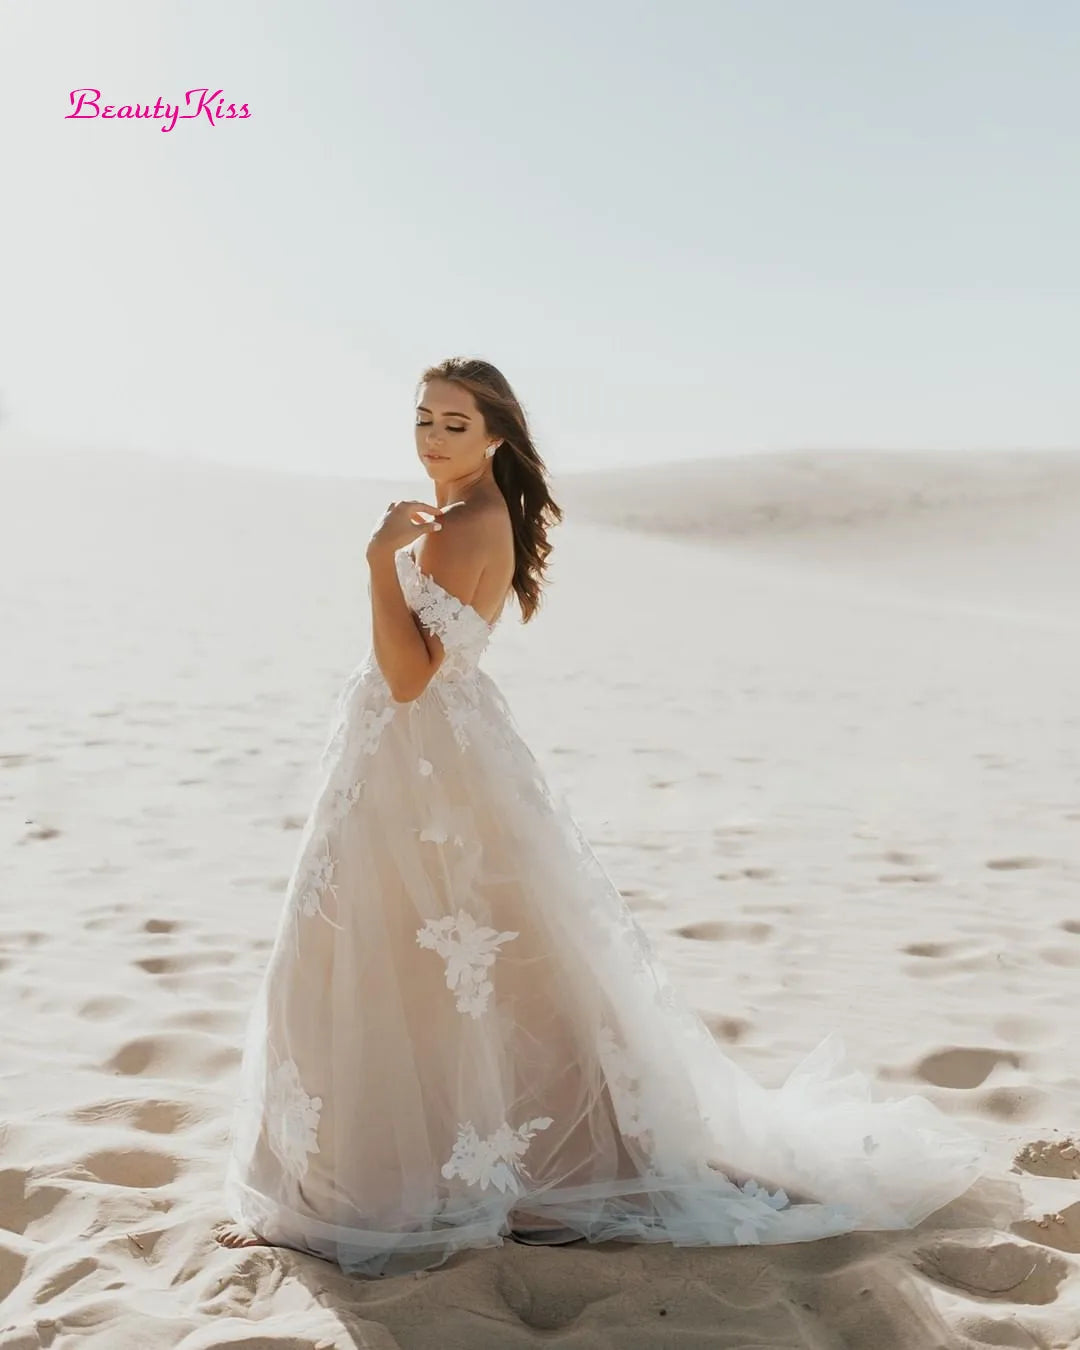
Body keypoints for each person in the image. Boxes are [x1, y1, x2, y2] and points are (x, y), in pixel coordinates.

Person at [214, 357, 992, 1278]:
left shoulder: (461, 526)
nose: (431, 438)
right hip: (422, 760)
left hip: (419, 756)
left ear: (496, 436)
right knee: (430, 963)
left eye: (454, 425)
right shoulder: (471, 514)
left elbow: (408, 675)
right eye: (422, 419)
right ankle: (424, 1167)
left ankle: (380, 1192)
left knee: (378, 957)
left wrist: (376, 560)